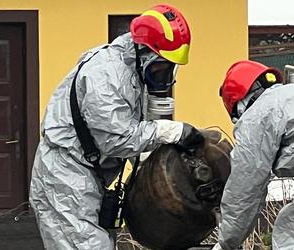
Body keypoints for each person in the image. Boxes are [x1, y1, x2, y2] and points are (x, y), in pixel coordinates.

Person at [29, 3, 205, 250]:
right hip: (65, 176)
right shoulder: (106, 75)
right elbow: (117, 140)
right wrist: (170, 131)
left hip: (90, 175)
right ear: (144, 51)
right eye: (161, 66)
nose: (165, 76)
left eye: (170, 69)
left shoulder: (133, 70)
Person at [212, 60, 294, 250]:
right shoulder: (287, 96)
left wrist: (226, 242)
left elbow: (245, 188)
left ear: (239, 104)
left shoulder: (258, 116)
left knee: (288, 234)